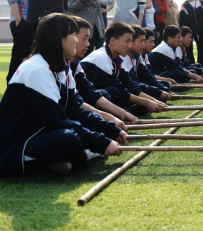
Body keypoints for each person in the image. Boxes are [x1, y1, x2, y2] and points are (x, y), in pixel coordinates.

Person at [0, 13, 124, 177]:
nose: (78, 40)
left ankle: (65, 160)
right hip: (18, 144)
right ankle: (61, 159)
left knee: (89, 132)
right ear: (58, 38)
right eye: (73, 35)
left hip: (42, 133)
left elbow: (75, 110)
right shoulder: (37, 69)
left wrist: (110, 130)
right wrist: (101, 142)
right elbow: (58, 120)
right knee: (69, 139)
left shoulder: (62, 67)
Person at [81, 21, 168, 115]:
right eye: (127, 41)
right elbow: (120, 91)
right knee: (112, 92)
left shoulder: (117, 59)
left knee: (140, 97)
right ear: (113, 41)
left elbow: (129, 85)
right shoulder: (101, 57)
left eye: (131, 41)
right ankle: (123, 112)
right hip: (88, 101)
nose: (130, 45)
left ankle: (125, 111)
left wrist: (153, 101)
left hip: (103, 98)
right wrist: (147, 102)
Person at [68, 16, 139, 127]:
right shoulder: (100, 58)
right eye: (84, 38)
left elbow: (90, 93)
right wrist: (108, 116)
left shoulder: (74, 64)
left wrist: (119, 114)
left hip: (81, 104)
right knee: (110, 93)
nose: (88, 44)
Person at [6, 0, 31, 83]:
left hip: (34, 22)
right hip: (23, 21)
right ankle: (11, 85)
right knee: (19, 55)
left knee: (31, 56)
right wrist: (19, 21)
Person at [180, 0, 203, 66]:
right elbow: (181, 20)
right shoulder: (184, 5)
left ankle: (202, 65)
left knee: (201, 47)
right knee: (189, 48)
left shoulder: (199, 3)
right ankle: (191, 64)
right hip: (188, 30)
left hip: (199, 29)